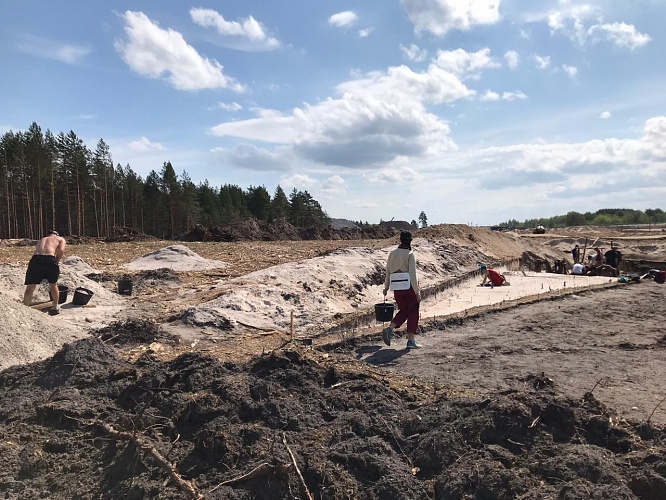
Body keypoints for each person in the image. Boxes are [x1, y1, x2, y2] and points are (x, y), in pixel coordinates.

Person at [382, 231, 421, 349]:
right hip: (408, 287)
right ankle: (411, 341)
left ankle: (390, 329)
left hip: (396, 288)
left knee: (404, 310)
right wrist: (417, 291)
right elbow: (413, 275)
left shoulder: (392, 253)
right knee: (413, 311)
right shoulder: (410, 254)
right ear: (410, 240)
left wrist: (386, 287)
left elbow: (388, 271)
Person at [23, 230, 66, 315]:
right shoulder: (60, 239)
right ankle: (55, 307)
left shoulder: (42, 239)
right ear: (56, 234)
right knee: (53, 284)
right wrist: (56, 260)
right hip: (49, 259)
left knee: (30, 286)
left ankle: (24, 307)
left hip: (35, 260)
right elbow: (61, 250)